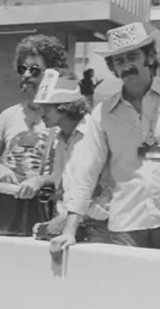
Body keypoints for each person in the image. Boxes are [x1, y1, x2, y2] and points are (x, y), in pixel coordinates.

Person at [51, 22, 160, 255]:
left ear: (149, 57)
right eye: (119, 61)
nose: (126, 66)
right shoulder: (102, 115)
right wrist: (69, 230)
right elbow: (86, 171)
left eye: (133, 57)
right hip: (126, 228)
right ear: (112, 68)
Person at [29, 68, 113, 243]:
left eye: (46, 107)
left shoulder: (95, 132)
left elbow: (96, 189)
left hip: (100, 226)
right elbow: (67, 183)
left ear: (64, 106)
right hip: (76, 225)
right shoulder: (59, 139)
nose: (41, 114)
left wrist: (64, 223)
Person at [0, 35, 69, 188]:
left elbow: (74, 176)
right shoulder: (8, 116)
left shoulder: (63, 118)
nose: (26, 75)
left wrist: (41, 181)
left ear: (52, 75)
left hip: (46, 208)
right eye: (22, 69)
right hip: (9, 207)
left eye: (34, 70)